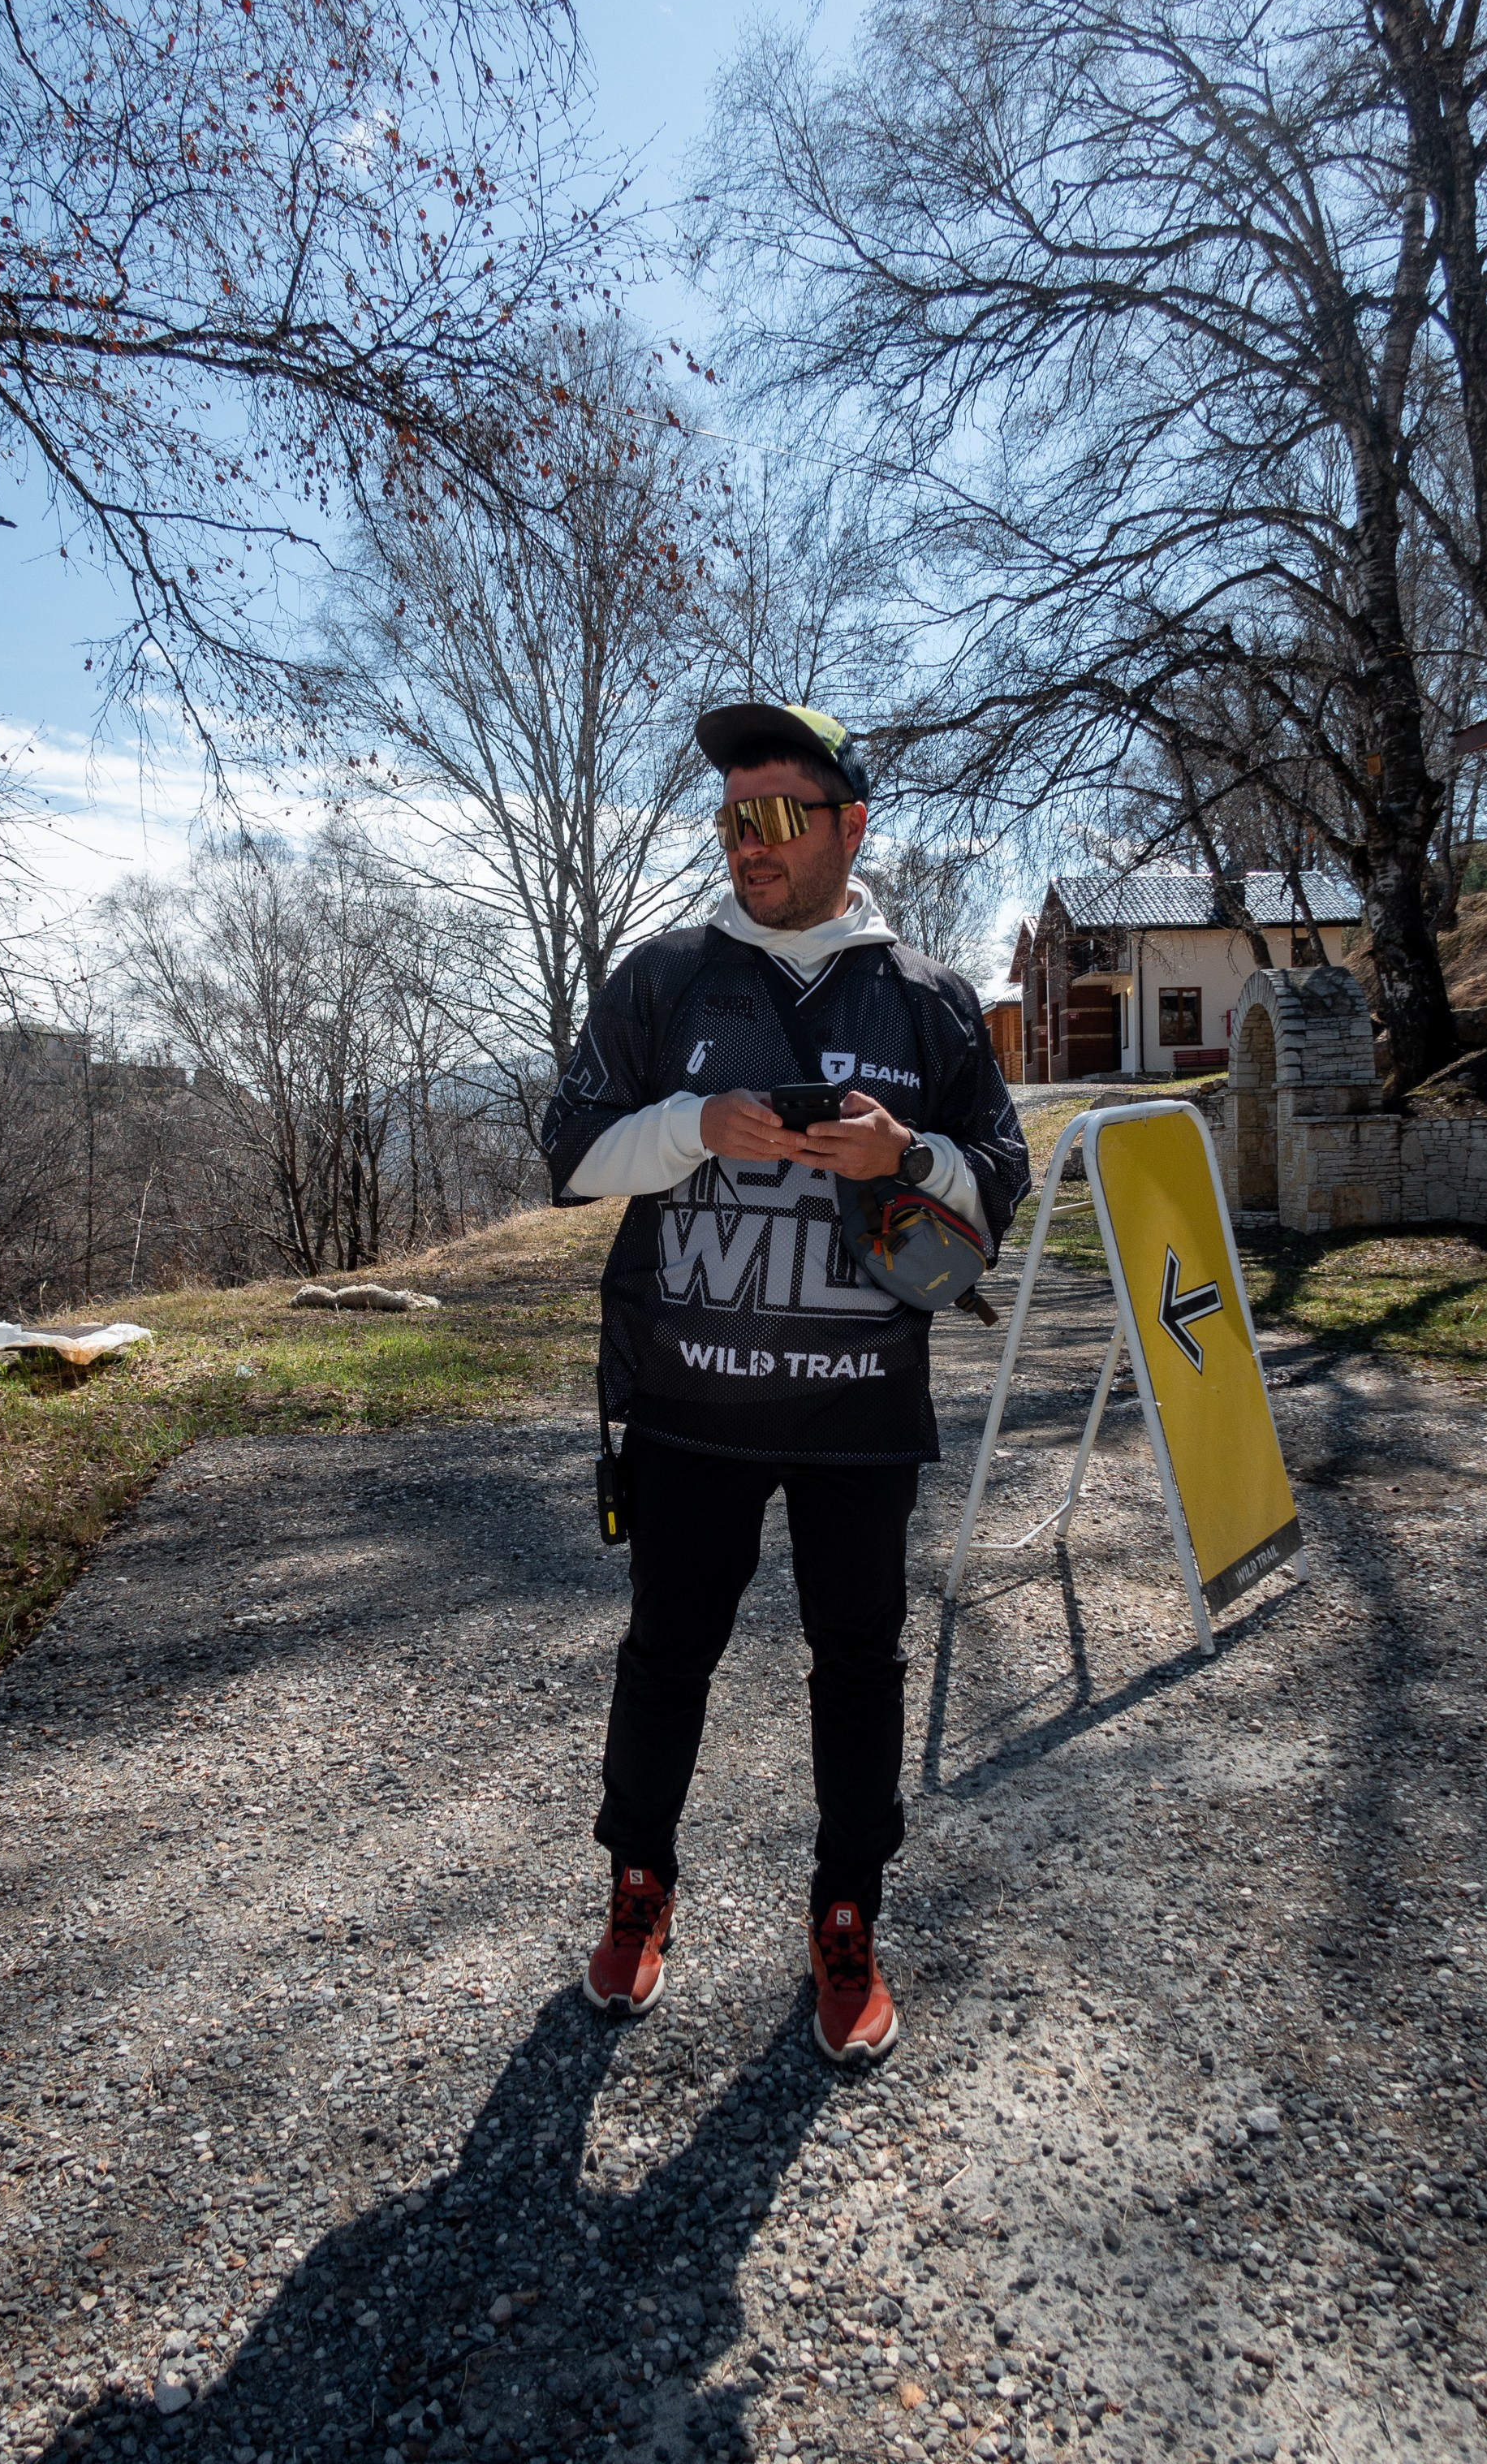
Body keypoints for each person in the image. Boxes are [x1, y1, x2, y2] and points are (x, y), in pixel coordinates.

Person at [540, 701, 1029, 2062]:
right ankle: (638, 1887)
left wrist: (905, 1159)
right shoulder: (665, 979)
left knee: (859, 1666)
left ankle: (848, 1915)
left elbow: (1001, 1179)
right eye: (728, 820)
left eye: (772, 817)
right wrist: (693, 1125)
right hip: (688, 1407)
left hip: (859, 1414)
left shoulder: (927, 998)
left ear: (849, 826)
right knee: (665, 1656)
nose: (744, 844)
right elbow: (570, 1148)